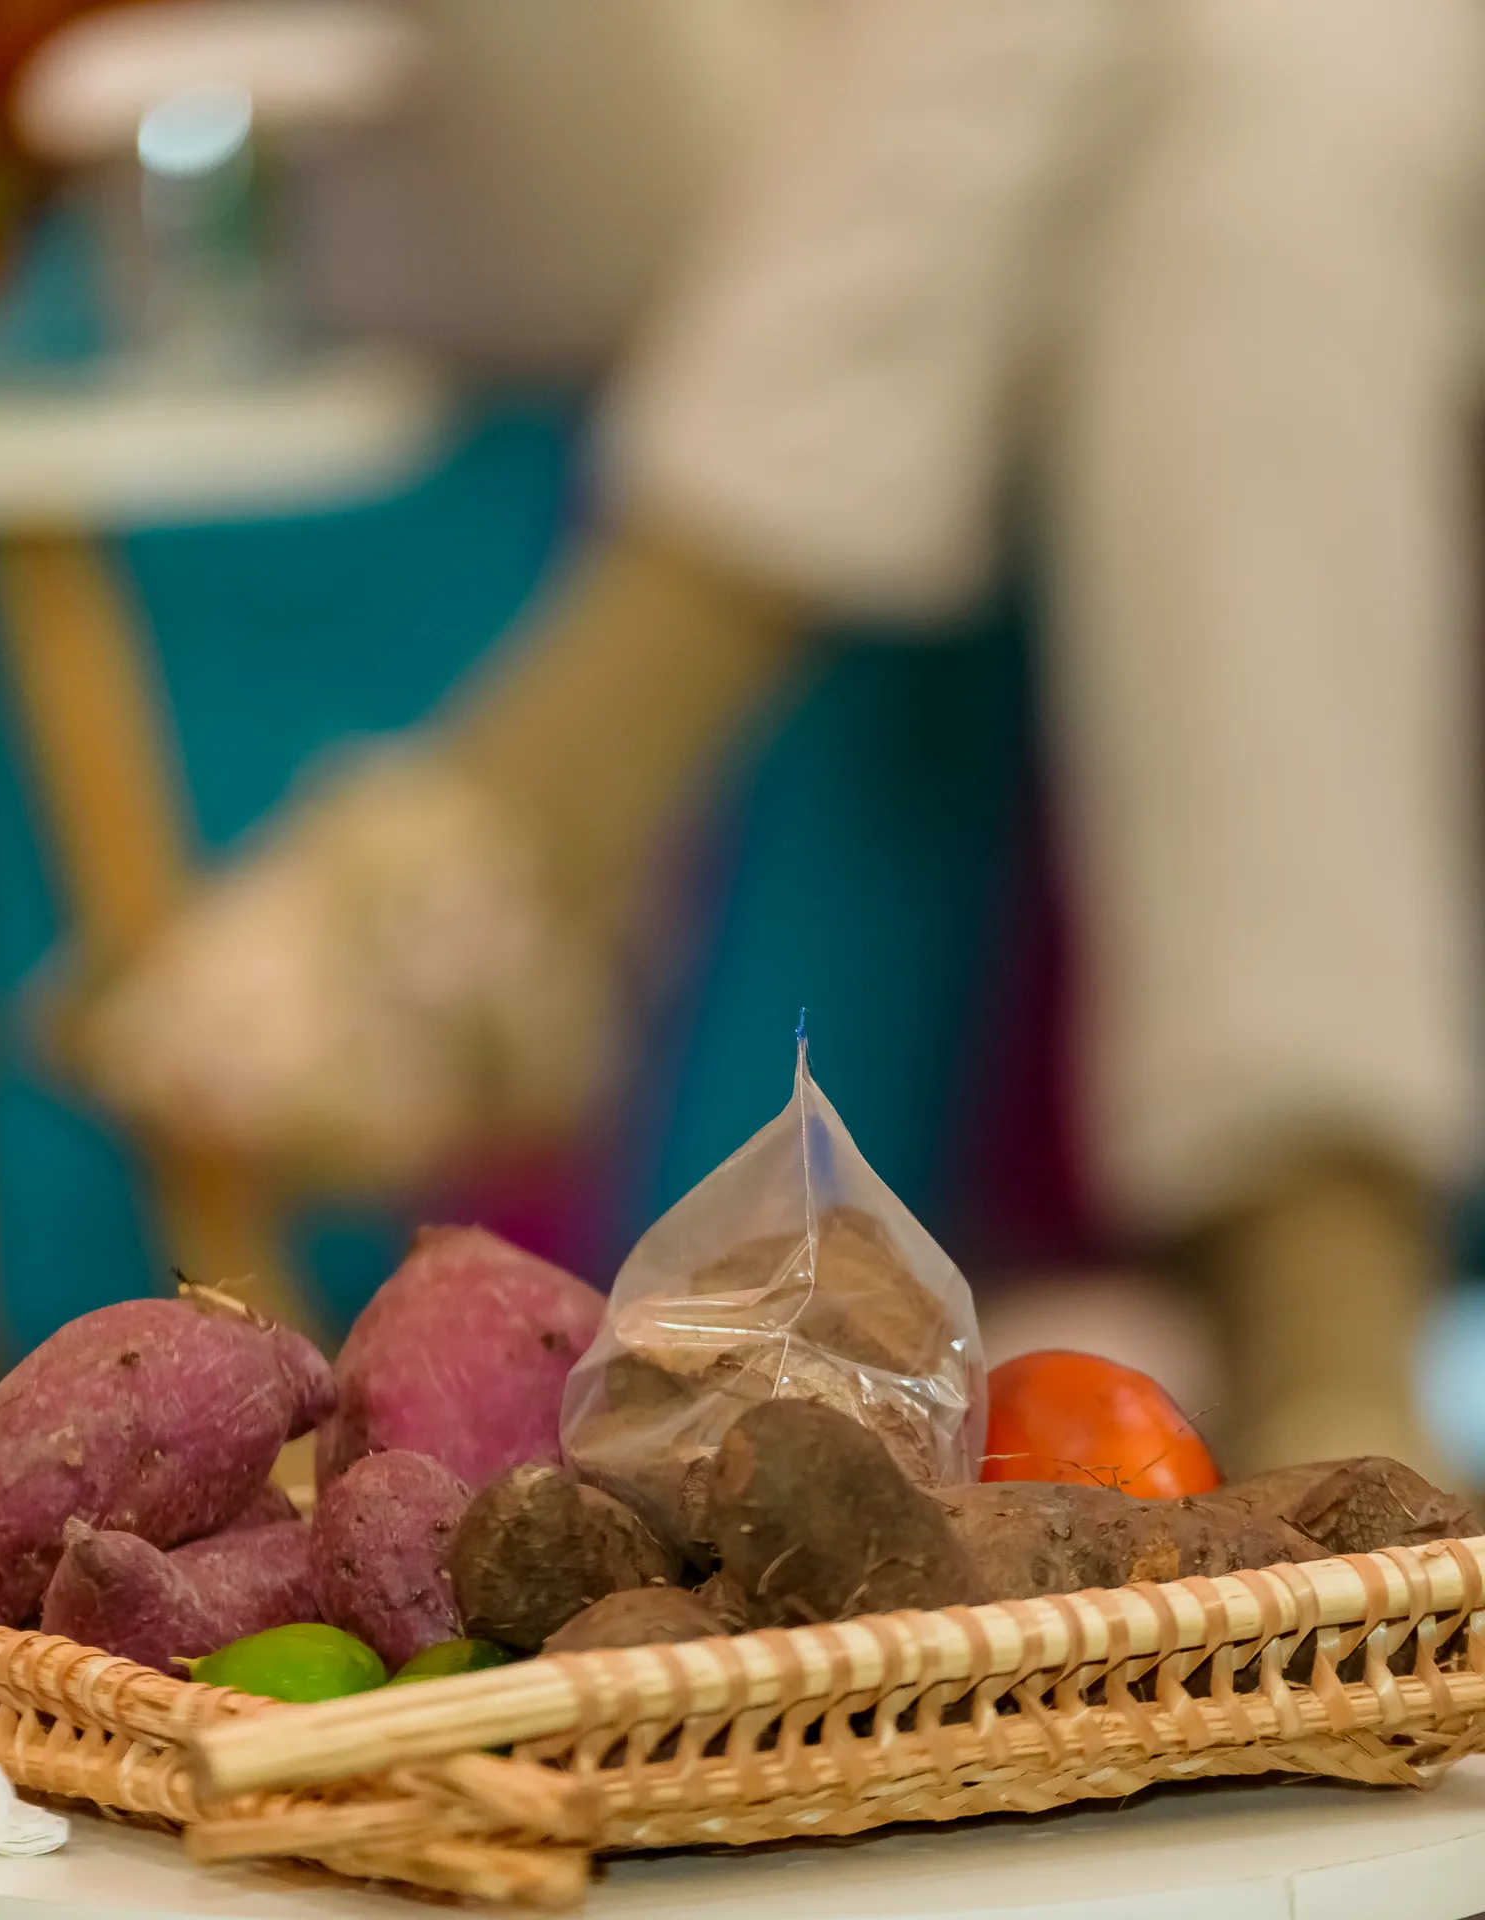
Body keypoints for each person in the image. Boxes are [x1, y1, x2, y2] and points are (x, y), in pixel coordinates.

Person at [78, 0, 1485, 1475]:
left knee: (1274, 116)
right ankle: (1330, 1333)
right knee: (1257, 78)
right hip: (633, 102)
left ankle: (531, 817)